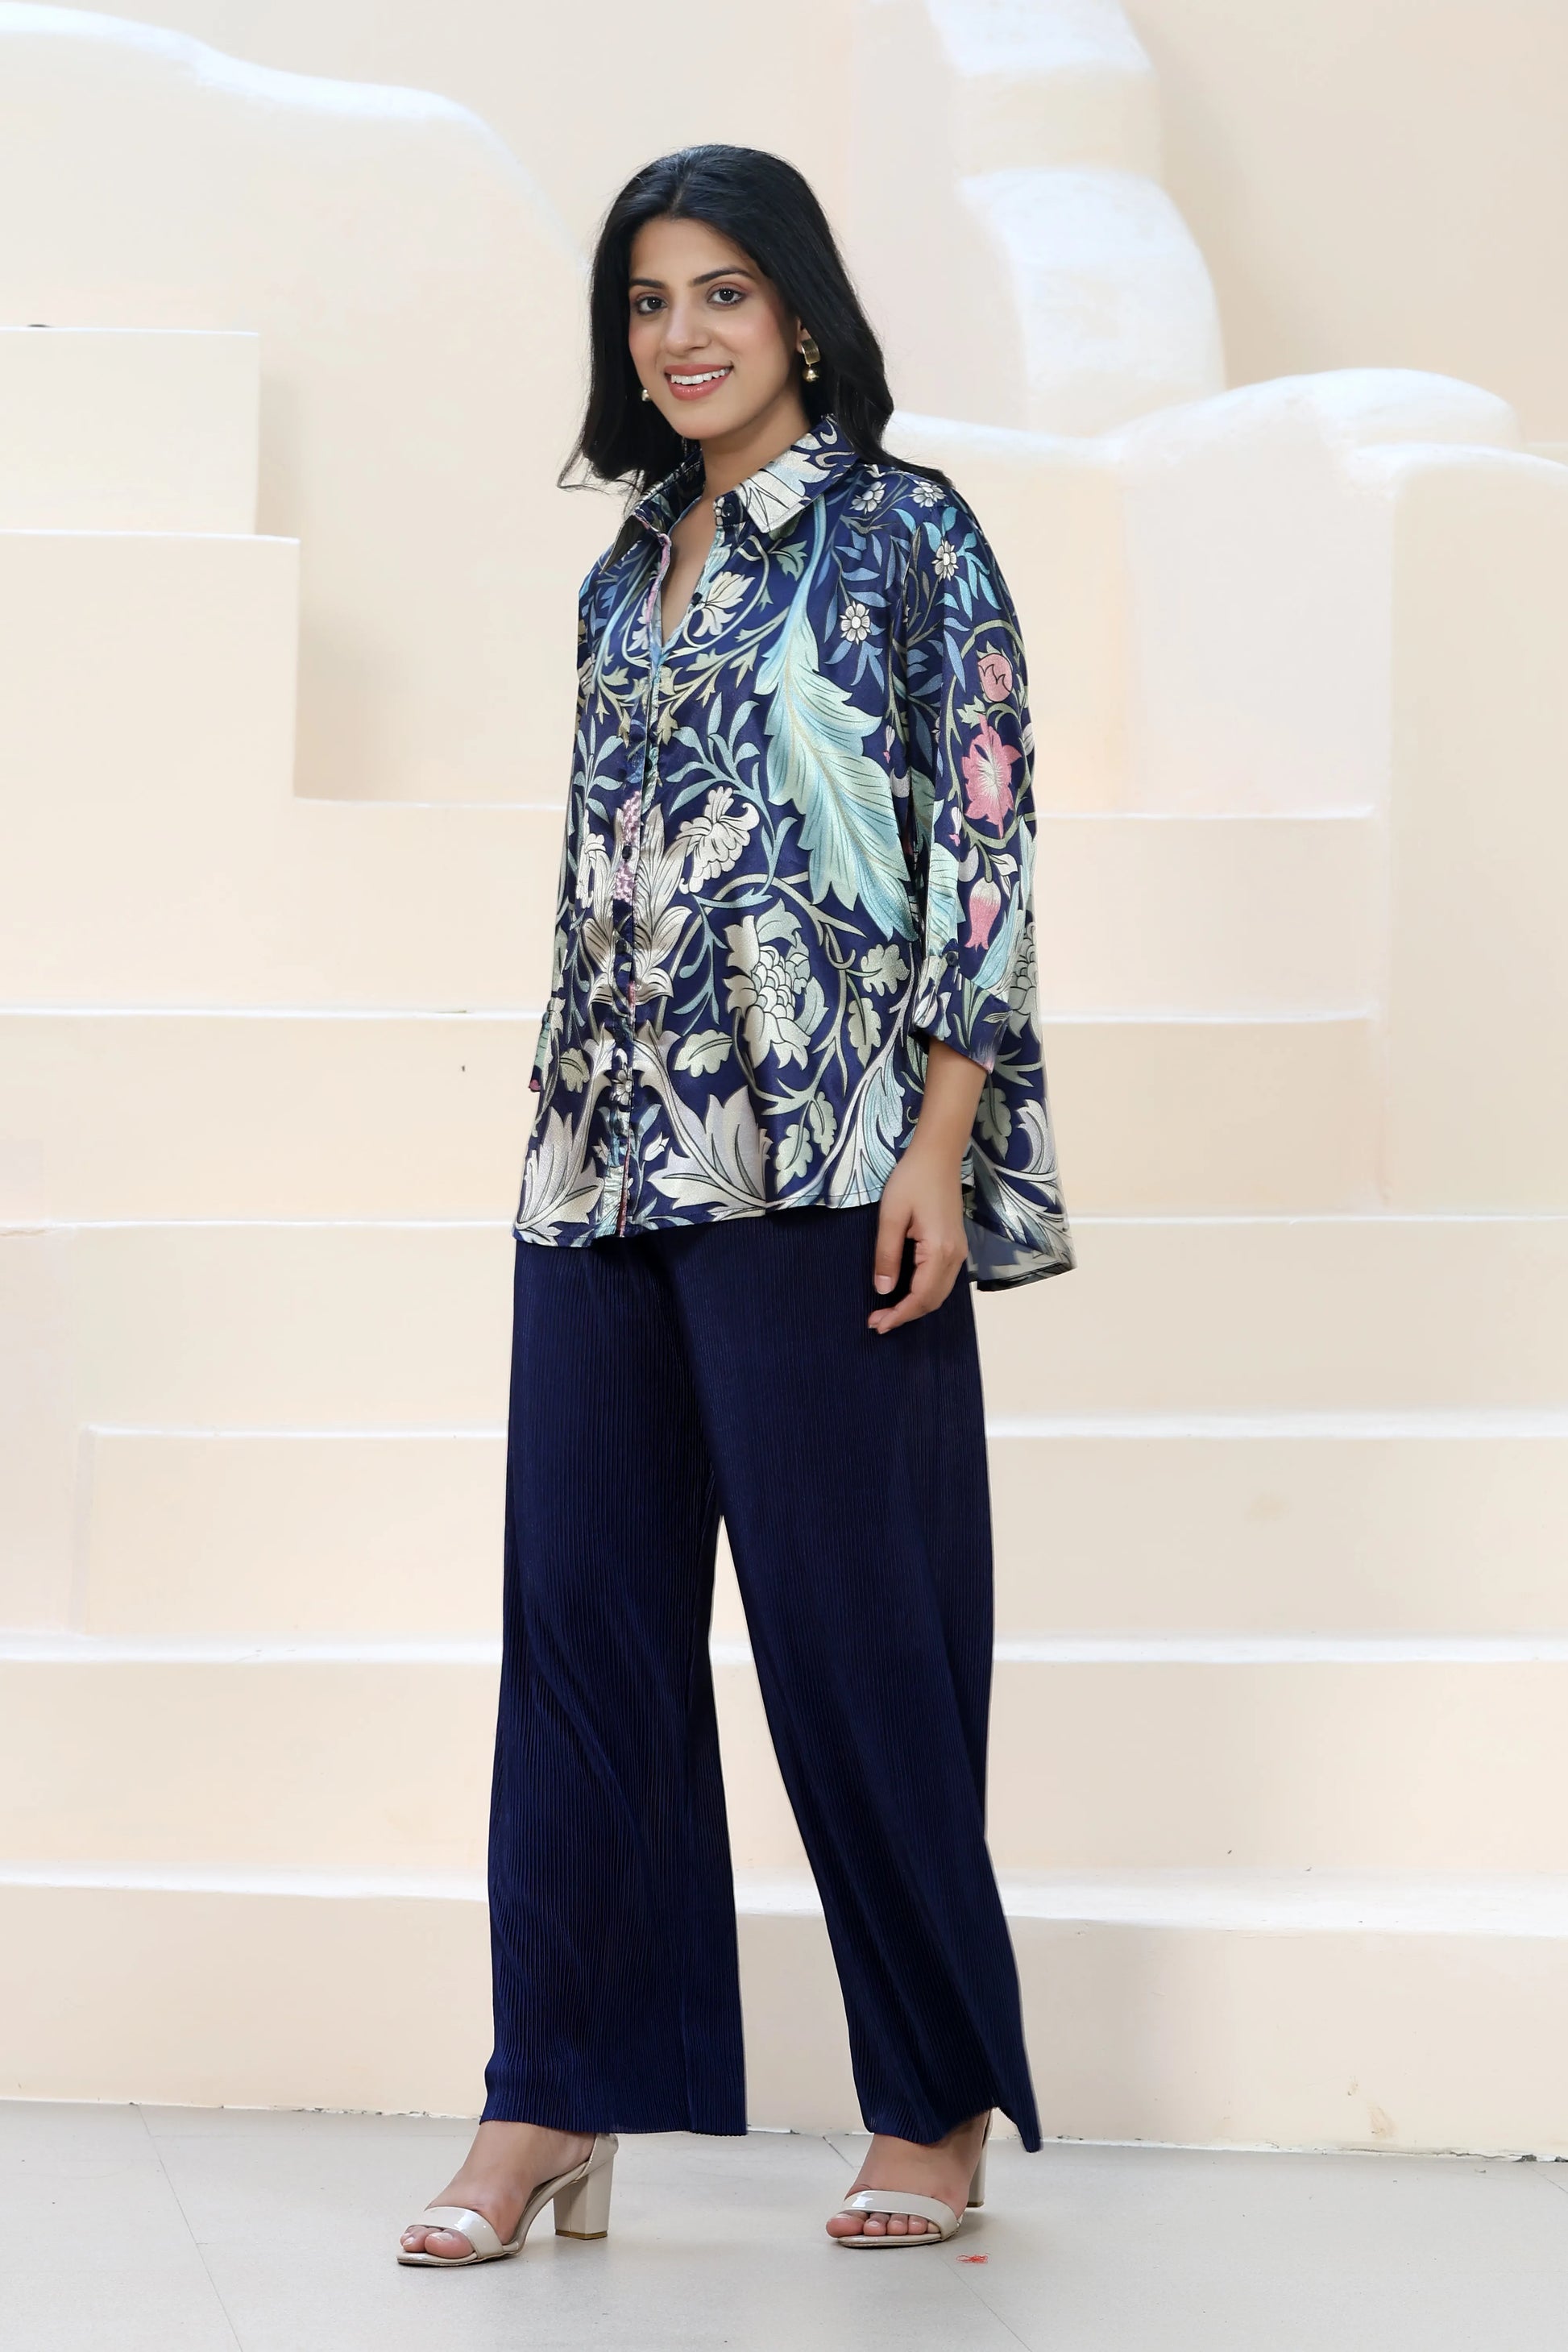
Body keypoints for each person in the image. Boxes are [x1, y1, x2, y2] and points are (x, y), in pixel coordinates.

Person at [399, 143, 1072, 2269]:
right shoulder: (622, 575)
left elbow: (983, 847)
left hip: (833, 1160)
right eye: (646, 301)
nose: (680, 336)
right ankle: (548, 2096)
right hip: (603, 1169)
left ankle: (932, 2097)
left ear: (797, 311)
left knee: (860, 1636)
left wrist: (940, 1146)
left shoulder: (905, 533)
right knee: (580, 1635)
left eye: (719, 293)